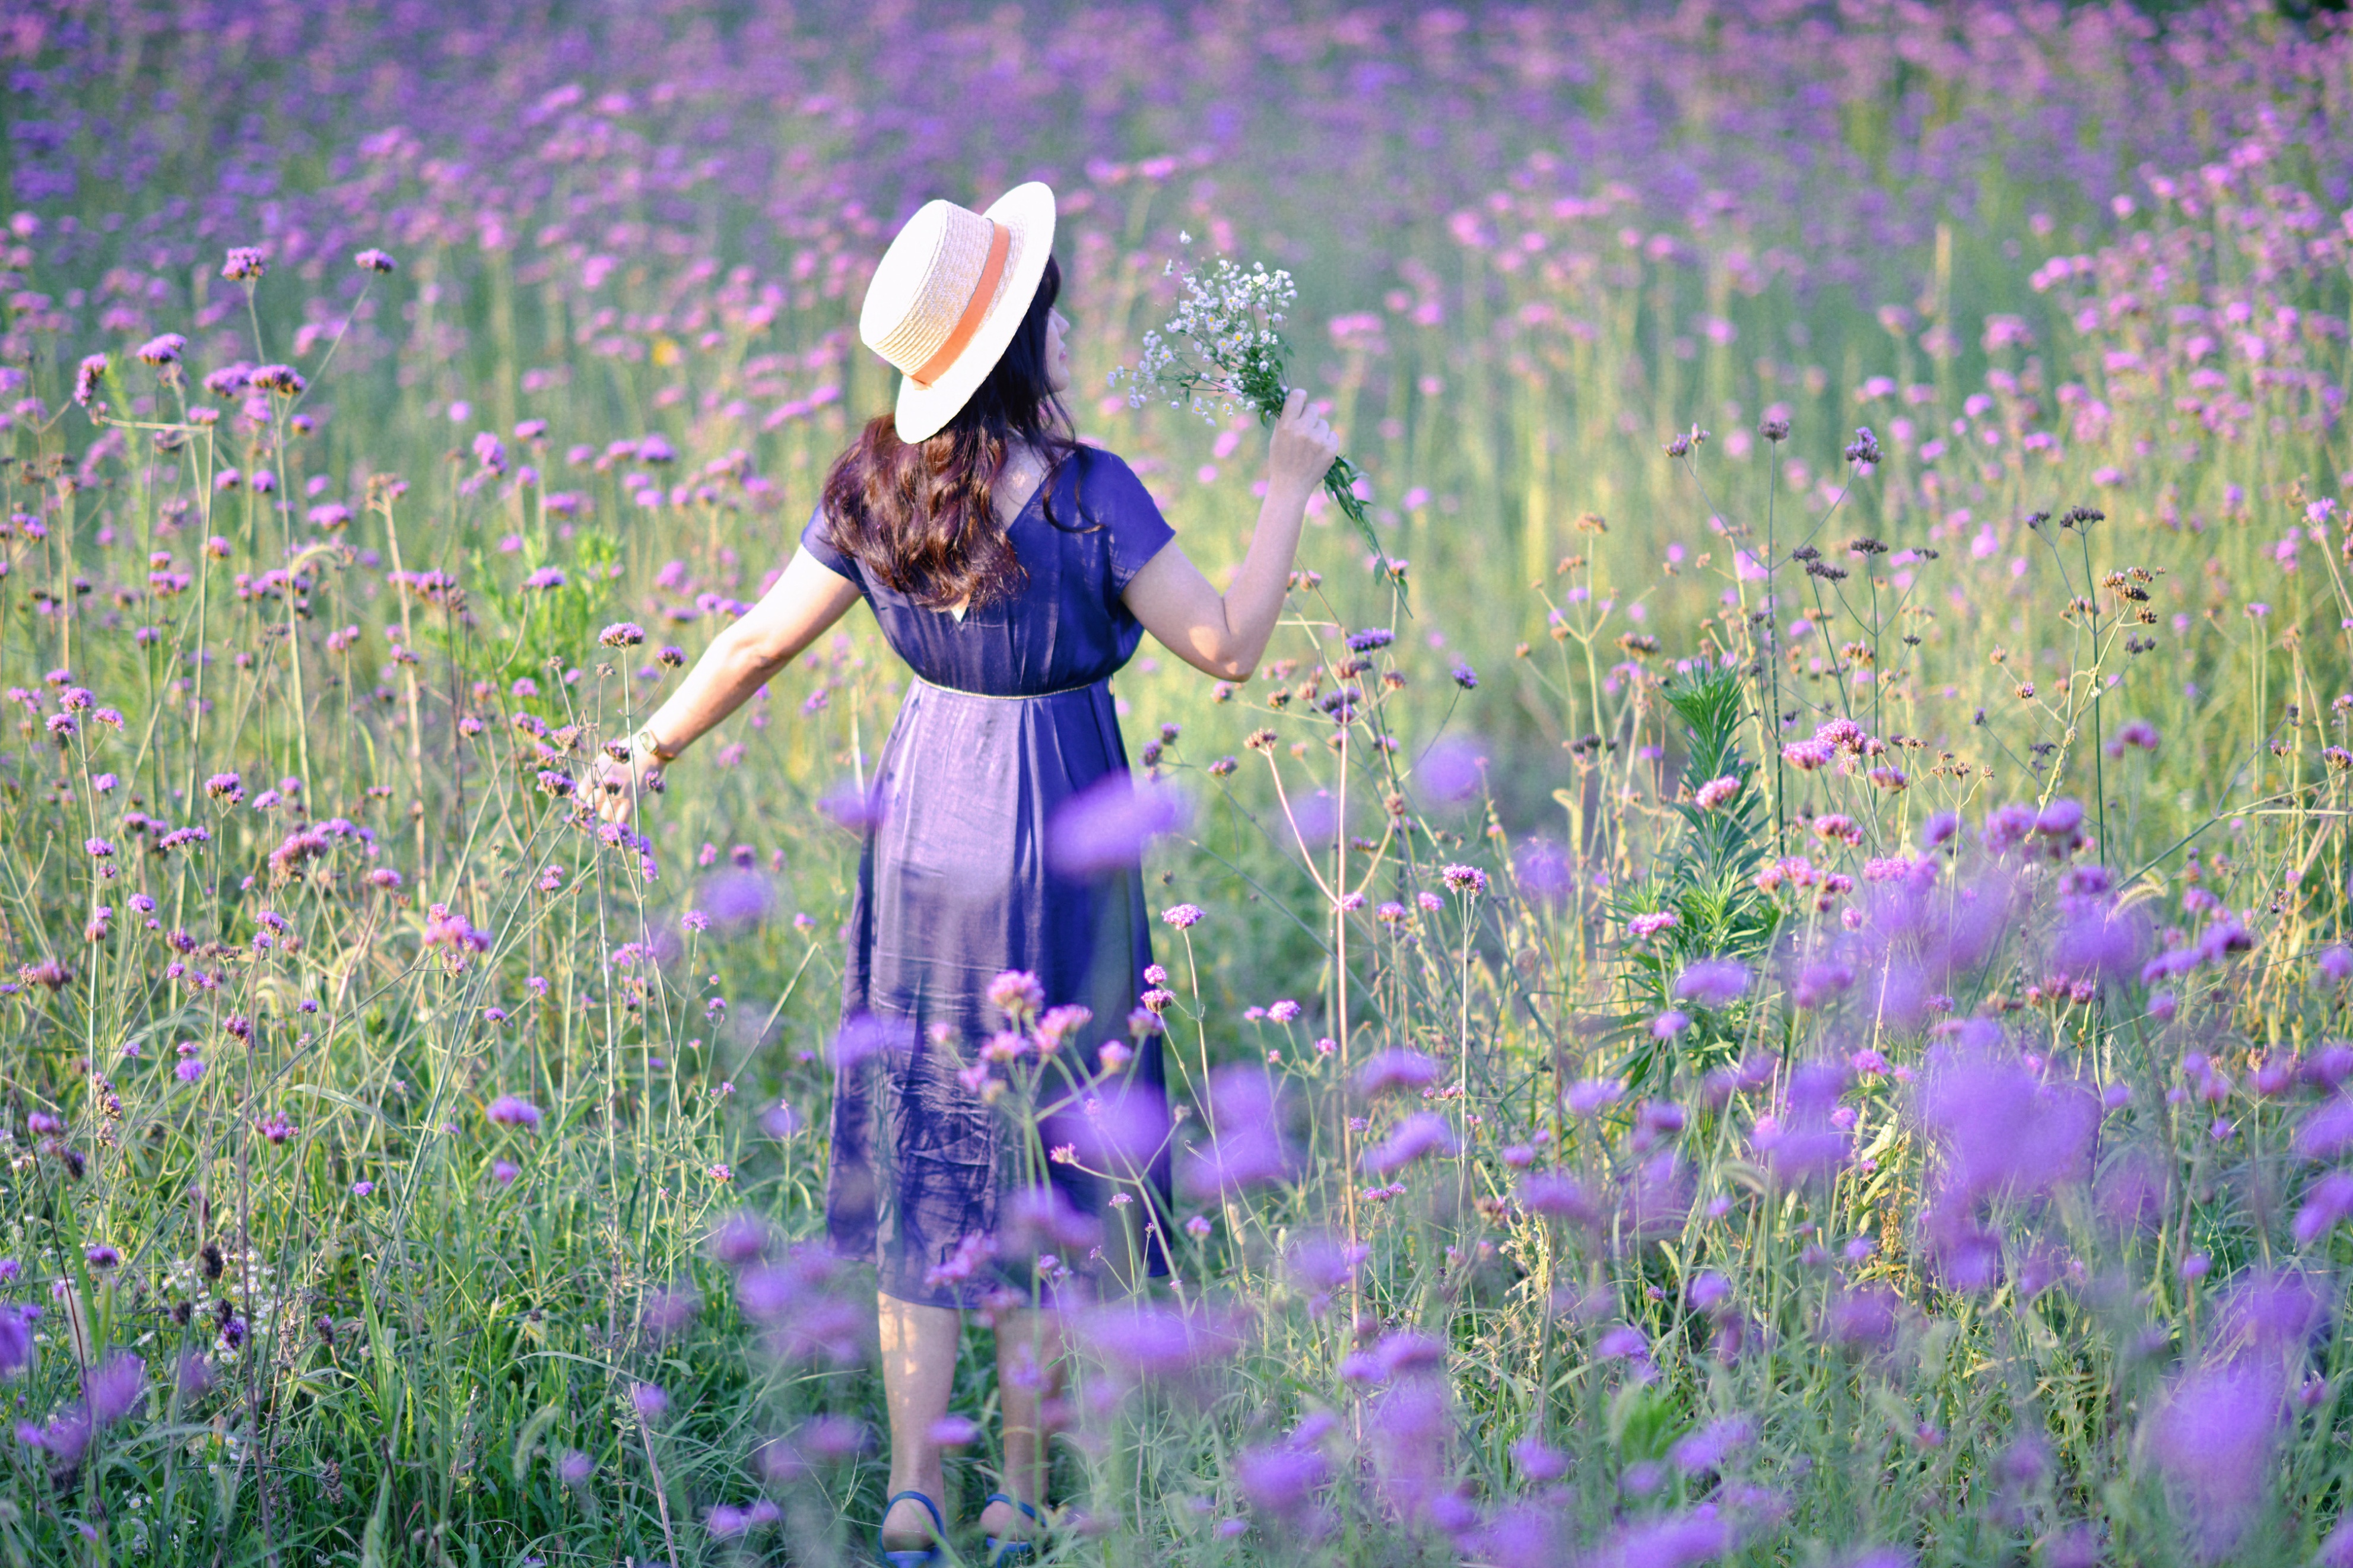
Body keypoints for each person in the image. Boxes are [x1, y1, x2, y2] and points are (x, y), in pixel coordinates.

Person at [591, 181, 1339, 1565]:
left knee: (928, 1138)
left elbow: (753, 643)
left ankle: (909, 1490)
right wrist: (1287, 489)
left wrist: (642, 750)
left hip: (927, 828)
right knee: (1054, 1133)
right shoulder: (1093, 492)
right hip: (1065, 827)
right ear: (1027, 334)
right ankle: (1021, 1487)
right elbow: (1229, 646)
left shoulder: (872, 486)